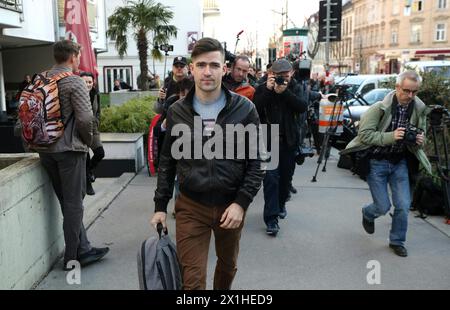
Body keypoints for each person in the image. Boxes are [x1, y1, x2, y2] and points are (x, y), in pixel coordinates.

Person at [150, 37, 264, 290]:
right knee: (192, 281)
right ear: (192, 69)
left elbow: (257, 161)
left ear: (224, 69)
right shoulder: (177, 110)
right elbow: (168, 160)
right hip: (191, 206)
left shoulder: (245, 109)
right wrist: (160, 206)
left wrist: (241, 203)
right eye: (201, 65)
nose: (207, 71)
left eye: (214, 65)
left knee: (227, 267)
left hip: (230, 206)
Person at [35, 40, 109, 270]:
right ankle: (72, 257)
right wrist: (91, 143)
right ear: (73, 57)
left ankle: (83, 247)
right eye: (78, 55)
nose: (79, 59)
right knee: (75, 204)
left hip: (45, 150)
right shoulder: (74, 81)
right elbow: (86, 119)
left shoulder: (40, 80)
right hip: (69, 151)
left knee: (67, 202)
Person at [340, 70, 432, 257]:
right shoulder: (379, 108)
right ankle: (368, 213)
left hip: (400, 163)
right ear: (397, 87)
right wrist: (391, 136)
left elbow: (422, 134)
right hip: (377, 163)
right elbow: (364, 135)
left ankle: (397, 241)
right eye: (407, 91)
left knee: (403, 205)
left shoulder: (418, 109)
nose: (410, 96)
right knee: (382, 207)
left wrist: (421, 139)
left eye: (415, 91)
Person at [254, 59, 307, 236]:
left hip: (289, 140)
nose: (282, 80)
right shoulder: (263, 88)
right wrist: (269, 91)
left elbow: (302, 107)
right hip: (269, 140)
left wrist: (284, 93)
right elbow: (255, 109)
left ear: (291, 73)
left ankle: (281, 203)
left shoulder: (296, 87)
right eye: (278, 76)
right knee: (271, 179)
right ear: (271, 74)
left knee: (285, 180)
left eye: (285, 76)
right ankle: (271, 219)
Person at [80, 72, 105, 196]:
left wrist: (97, 121)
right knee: (85, 156)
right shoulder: (77, 94)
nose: (88, 84)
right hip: (80, 129)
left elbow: (98, 110)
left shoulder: (95, 94)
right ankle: (87, 184)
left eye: (90, 82)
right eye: (85, 81)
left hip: (93, 127)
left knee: (100, 153)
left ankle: (89, 171)